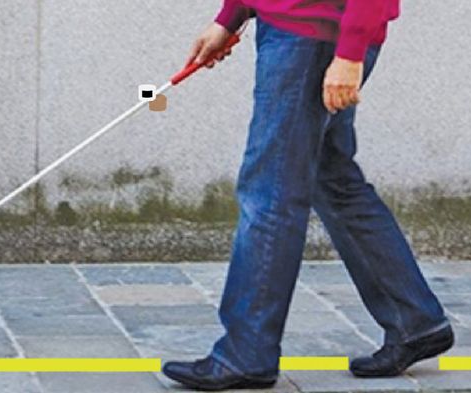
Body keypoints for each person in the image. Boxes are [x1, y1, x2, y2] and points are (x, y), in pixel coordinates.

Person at [162, 0, 454, 390]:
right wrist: (230, 17)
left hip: (313, 38)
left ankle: (247, 352)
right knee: (332, 182)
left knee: (269, 192)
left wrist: (350, 53)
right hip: (298, 32)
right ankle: (414, 319)